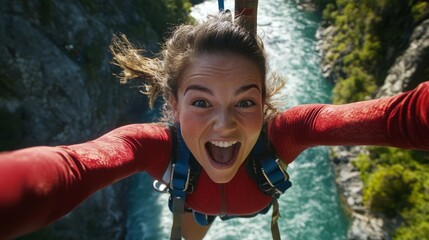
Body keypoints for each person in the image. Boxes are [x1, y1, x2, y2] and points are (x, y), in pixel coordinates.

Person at [1, 12, 429, 240]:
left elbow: (402, 118)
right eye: (201, 102)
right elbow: (71, 169)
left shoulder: (288, 133)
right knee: (194, 226)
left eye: (245, 101)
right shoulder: (151, 147)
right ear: (173, 103)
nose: (224, 125)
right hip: (202, 206)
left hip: (207, 203)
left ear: (264, 103)